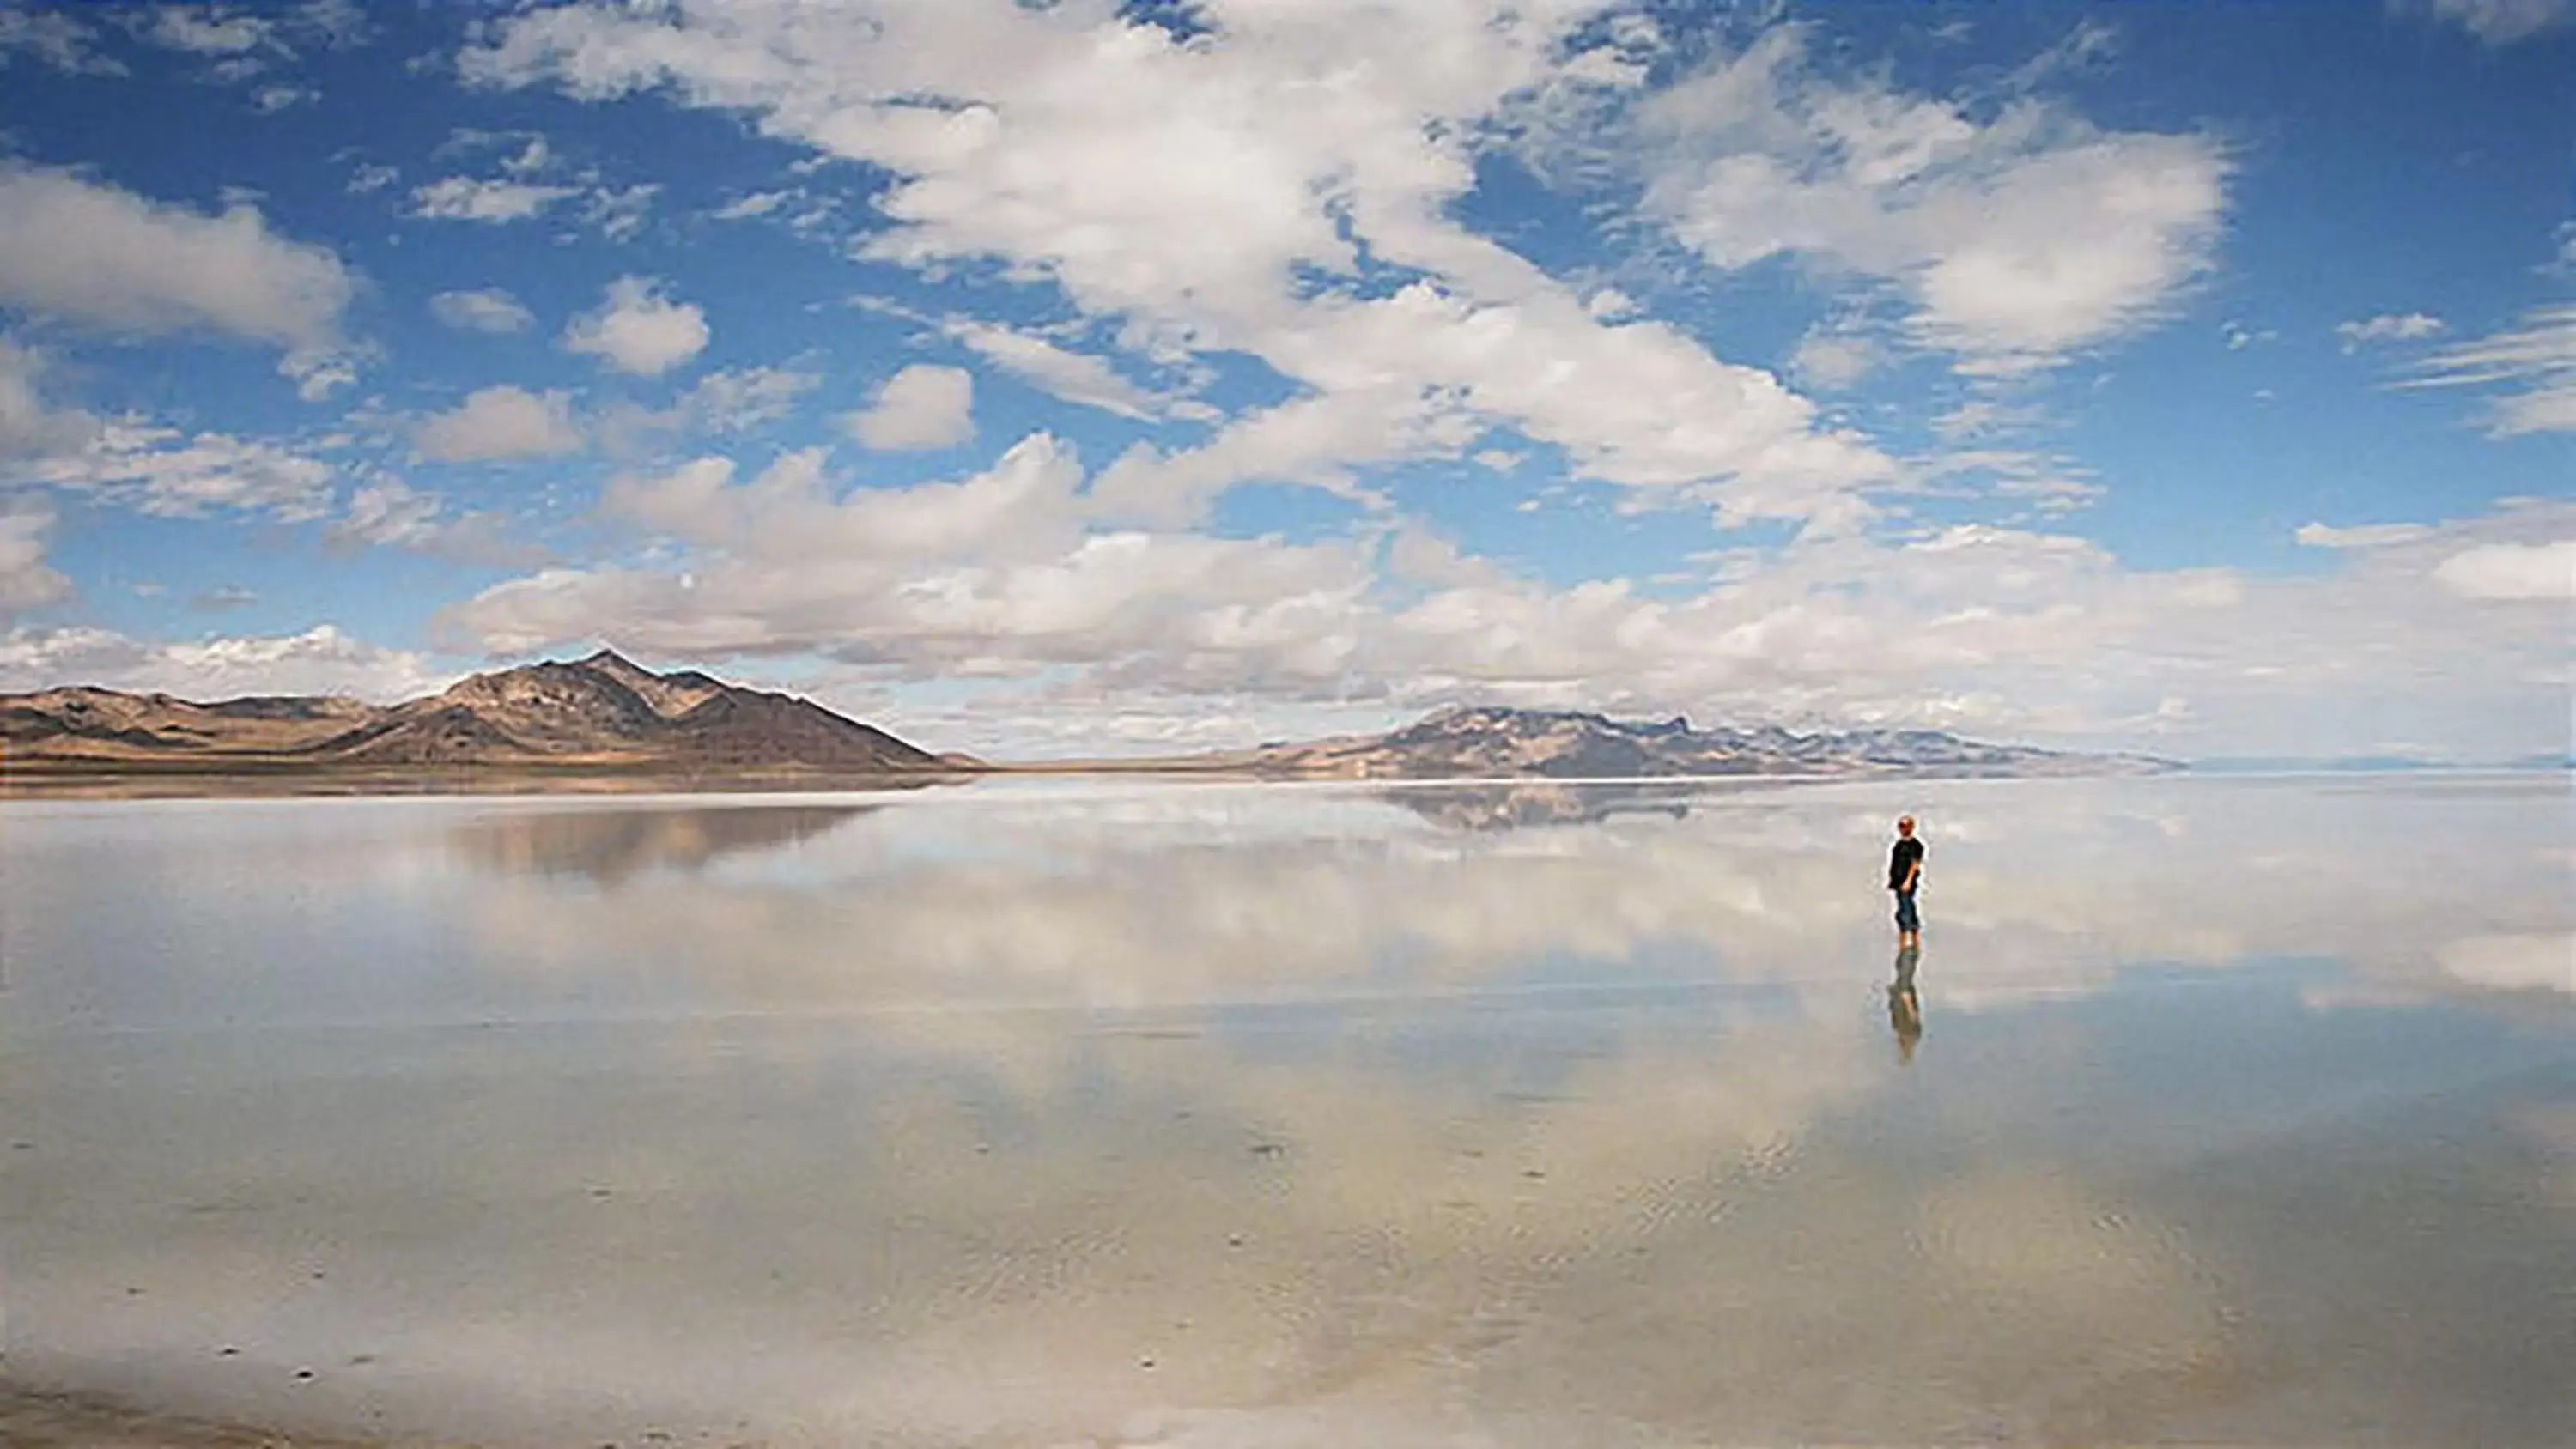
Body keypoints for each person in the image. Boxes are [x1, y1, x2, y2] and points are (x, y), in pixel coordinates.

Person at [1887, 815, 1923, 948]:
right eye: (1901, 826)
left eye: (1905, 826)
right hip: (1898, 882)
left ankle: (1911, 941)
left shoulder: (1916, 845)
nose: (1903, 829)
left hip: (1907, 883)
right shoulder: (1898, 845)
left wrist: (1908, 881)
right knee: (1902, 910)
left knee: (1906, 910)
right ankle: (1904, 941)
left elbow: (1915, 864)